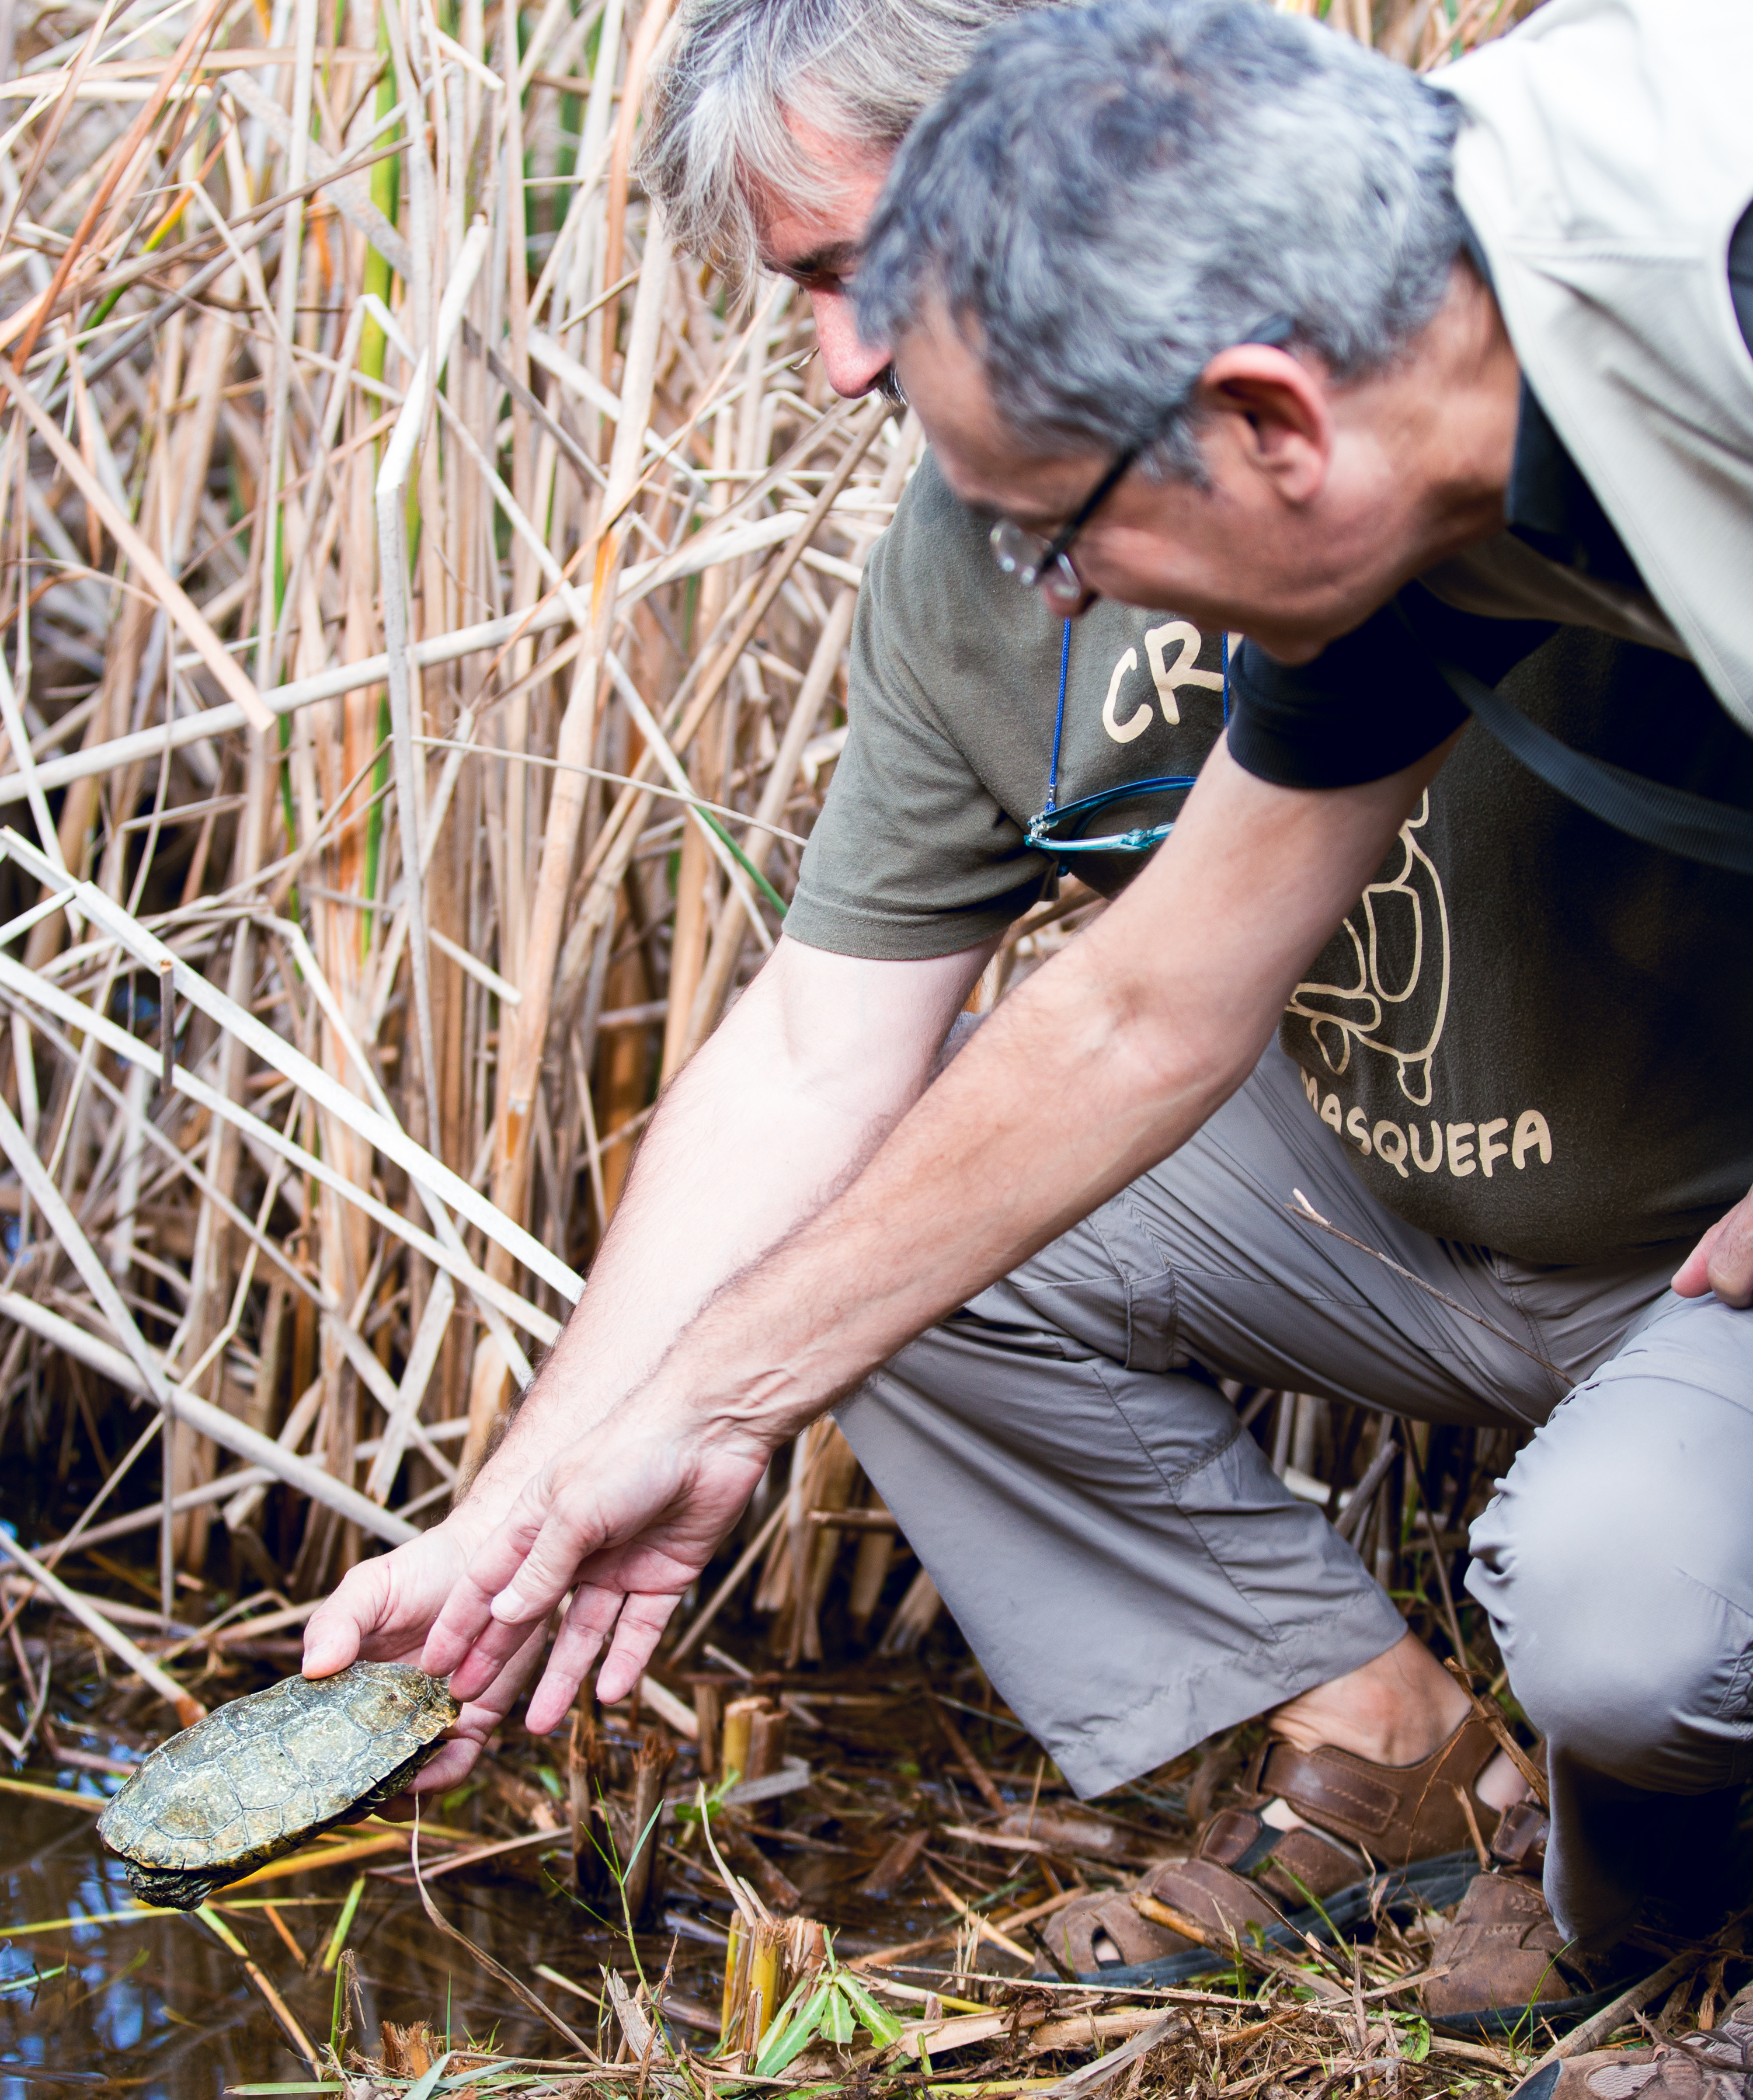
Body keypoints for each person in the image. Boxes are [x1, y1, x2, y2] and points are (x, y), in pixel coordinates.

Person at [305, 0, 1753, 2039]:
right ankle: (1421, 1774)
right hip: (1424, 1219)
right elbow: (1133, 1010)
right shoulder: (1384, 473)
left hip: (1679, 1237)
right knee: (895, 1239)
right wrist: (651, 1440)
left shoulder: (1689, 278)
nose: (1054, 599)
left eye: (1060, 537)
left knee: (1627, 1610)